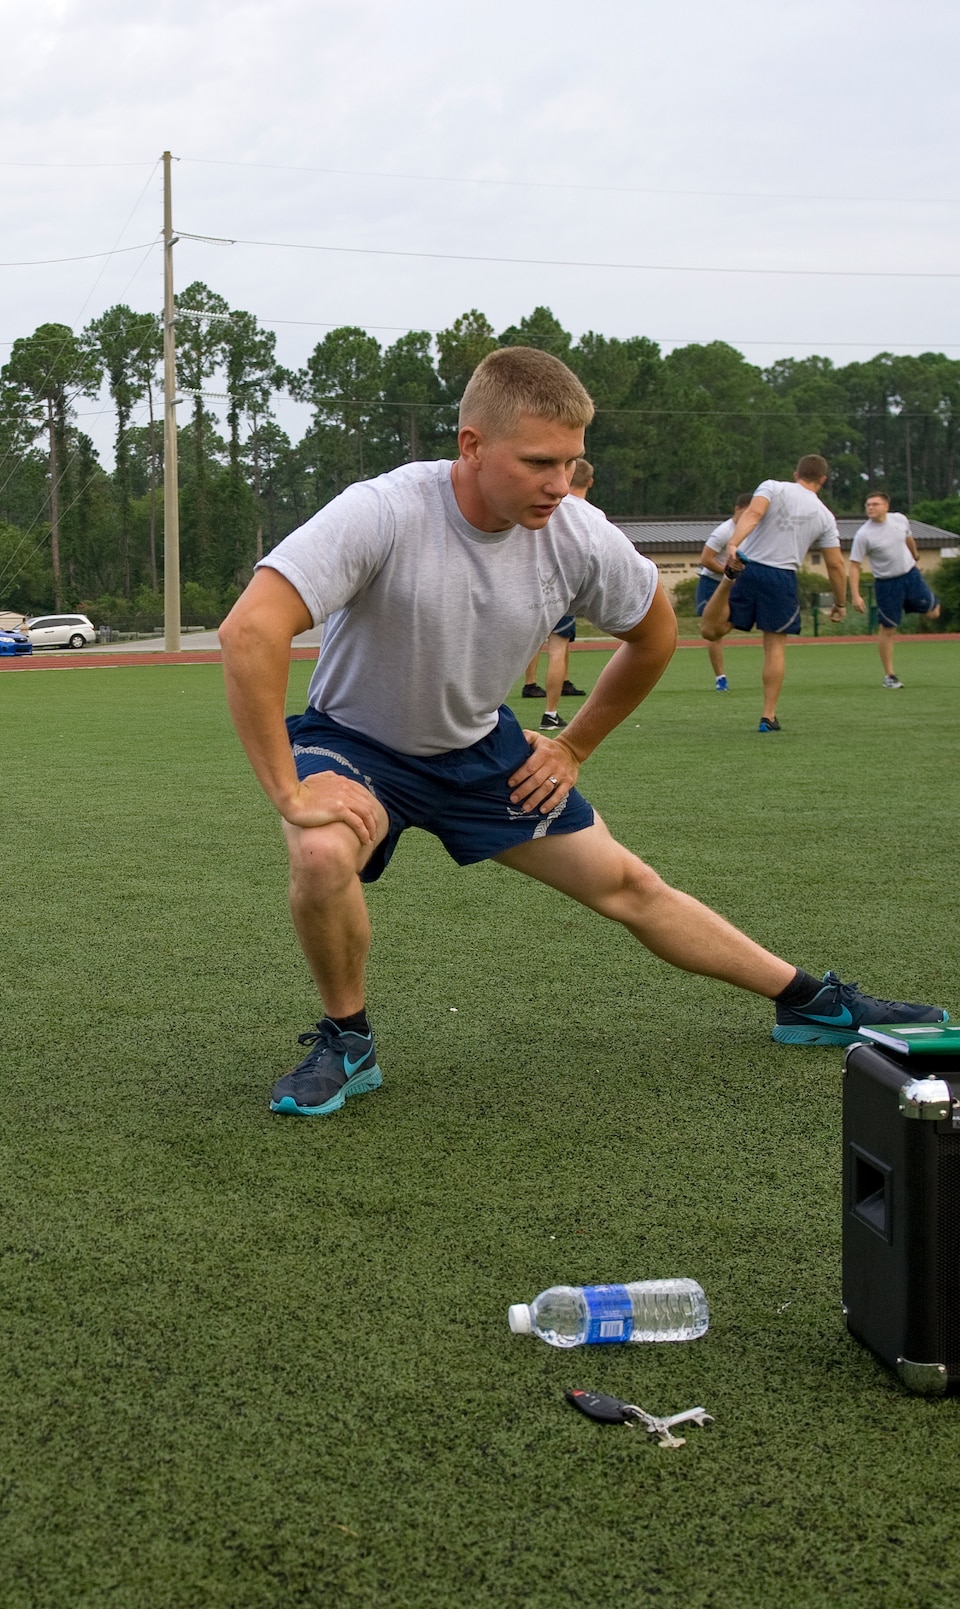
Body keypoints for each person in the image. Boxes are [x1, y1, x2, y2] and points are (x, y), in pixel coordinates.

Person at [218, 347, 945, 1117]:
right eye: (538, 462)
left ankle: (810, 1000)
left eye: (572, 462)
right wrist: (291, 790)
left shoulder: (578, 532)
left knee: (630, 884)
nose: (559, 483)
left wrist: (573, 744)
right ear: (471, 445)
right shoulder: (385, 510)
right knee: (325, 848)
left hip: (479, 750)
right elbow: (251, 632)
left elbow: (656, 633)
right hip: (356, 743)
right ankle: (348, 1038)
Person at [699, 455, 847, 732]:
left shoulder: (773, 487)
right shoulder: (826, 515)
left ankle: (727, 580)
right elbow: (836, 564)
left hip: (749, 567)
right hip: (782, 576)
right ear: (823, 480)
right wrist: (840, 602)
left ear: (796, 473)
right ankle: (768, 716)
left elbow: (753, 515)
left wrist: (733, 543)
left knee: (711, 631)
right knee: (775, 647)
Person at [847, 490, 940, 687]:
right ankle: (890, 676)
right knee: (888, 628)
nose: (870, 507)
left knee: (934, 613)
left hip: (910, 575)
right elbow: (854, 565)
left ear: (886, 507)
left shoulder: (899, 519)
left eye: (875, 504)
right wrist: (856, 595)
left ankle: (913, 602)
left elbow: (908, 538)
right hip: (887, 584)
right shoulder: (864, 535)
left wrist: (915, 555)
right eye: (868, 505)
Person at [535, 457, 594, 729]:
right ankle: (550, 713)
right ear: (590, 482)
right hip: (558, 590)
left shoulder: (542, 506)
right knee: (557, 650)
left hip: (530, 586)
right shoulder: (587, 515)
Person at [693, 494, 754, 691]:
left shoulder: (751, 532)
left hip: (734, 585)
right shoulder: (723, 532)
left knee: (734, 623)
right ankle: (721, 678)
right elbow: (706, 559)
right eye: (745, 513)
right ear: (737, 509)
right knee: (713, 633)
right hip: (712, 584)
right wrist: (729, 573)